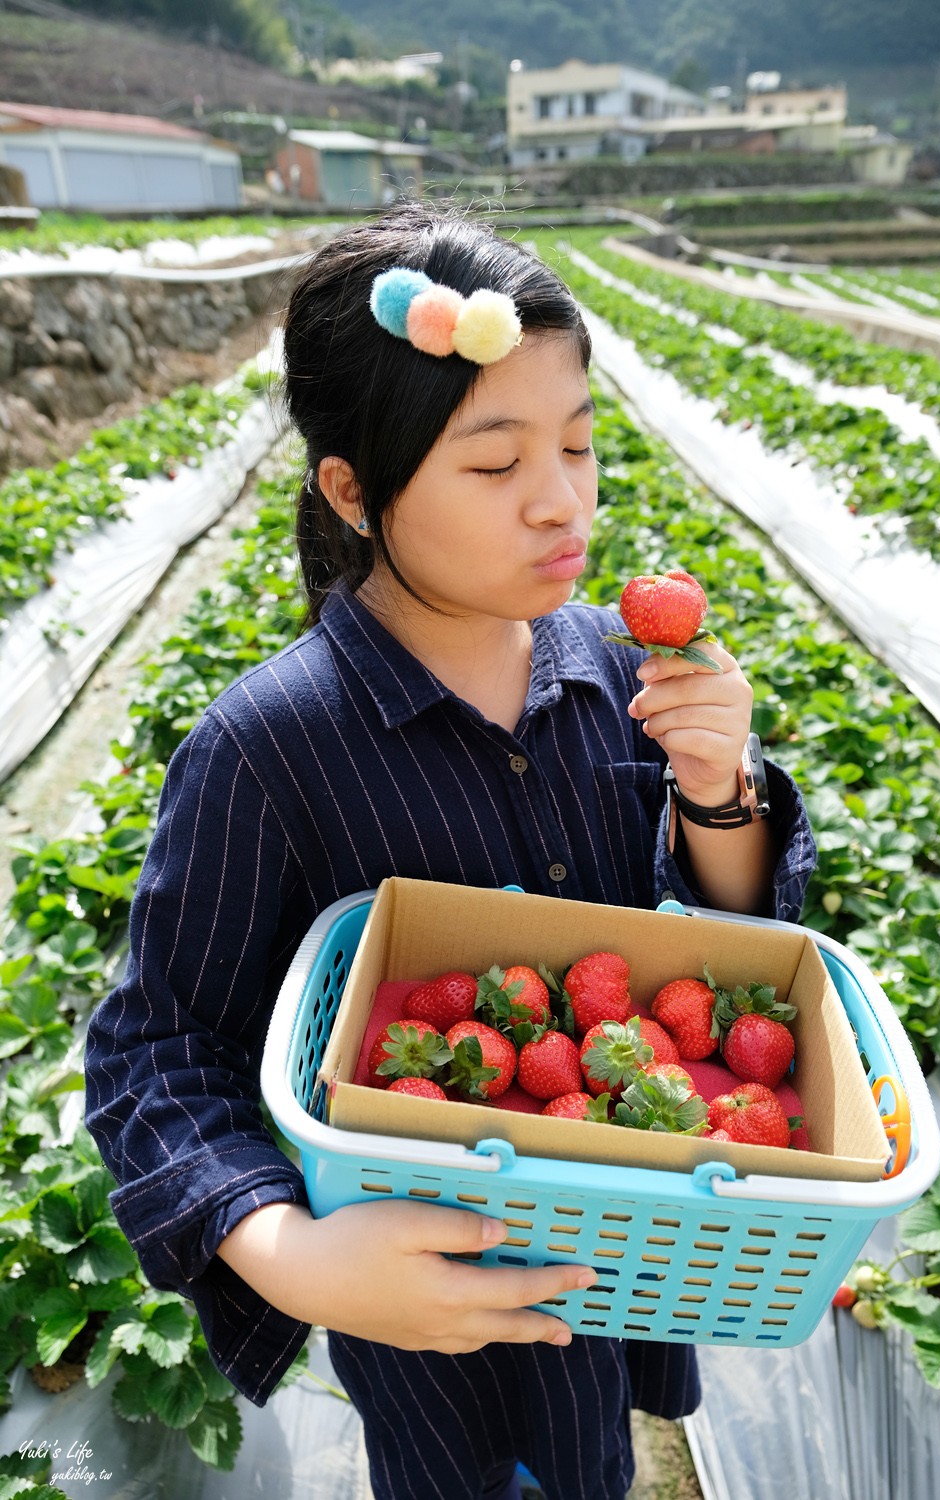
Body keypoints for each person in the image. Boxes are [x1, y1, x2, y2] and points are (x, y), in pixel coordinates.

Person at [84, 201, 817, 1500]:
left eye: (581, 446)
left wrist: (722, 793)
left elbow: (718, 942)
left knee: (594, 1452)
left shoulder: (613, 670)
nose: (561, 501)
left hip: (628, 1227)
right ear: (354, 492)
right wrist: (287, 1253)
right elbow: (154, 1050)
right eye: (495, 466)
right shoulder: (271, 748)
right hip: (426, 1289)